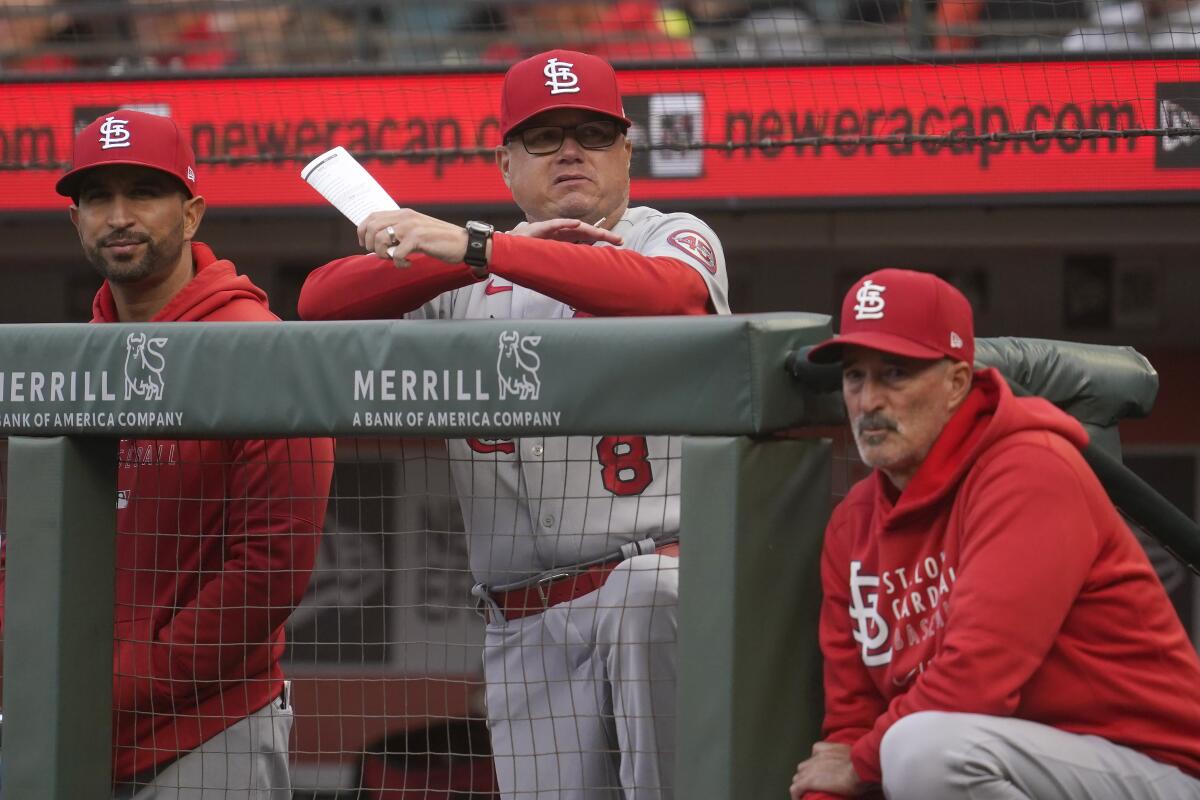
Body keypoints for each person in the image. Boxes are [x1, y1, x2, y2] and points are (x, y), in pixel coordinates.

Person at [299, 49, 729, 799]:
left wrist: (477, 244)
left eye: (593, 133)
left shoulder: (669, 233)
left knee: (645, 596)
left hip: (652, 589)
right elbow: (320, 303)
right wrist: (470, 258)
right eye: (545, 136)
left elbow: (675, 295)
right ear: (505, 163)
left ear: (627, 153)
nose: (571, 151)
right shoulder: (467, 278)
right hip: (522, 621)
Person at [789, 268, 1200, 800]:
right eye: (854, 377)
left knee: (921, 752)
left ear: (958, 382)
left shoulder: (1030, 470)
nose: (869, 401)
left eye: (895, 374)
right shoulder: (852, 525)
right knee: (907, 751)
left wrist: (861, 763)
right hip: (1020, 764)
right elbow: (849, 726)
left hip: (1155, 766)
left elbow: (975, 682)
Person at [30, 109, 334, 797]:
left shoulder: (258, 346)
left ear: (191, 213)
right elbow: (30, 537)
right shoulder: (75, 357)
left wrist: (121, 677)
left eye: (143, 192)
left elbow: (271, 567)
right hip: (67, 722)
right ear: (75, 222)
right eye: (97, 198)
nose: (118, 215)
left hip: (207, 728)